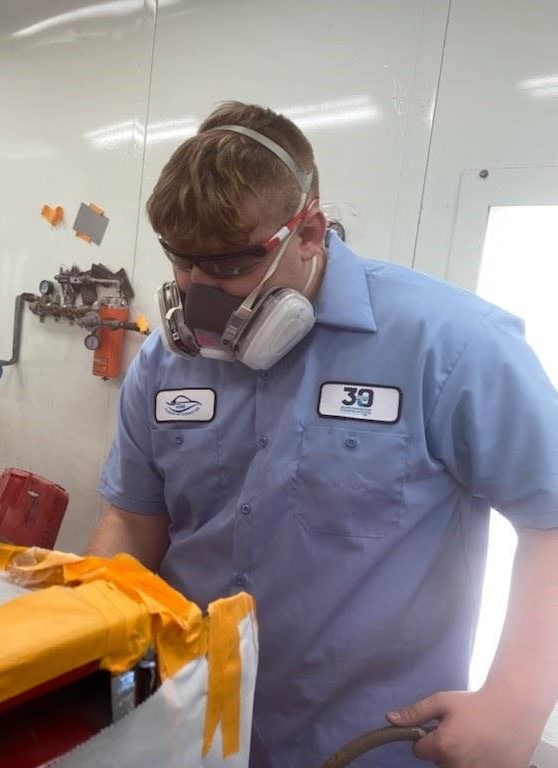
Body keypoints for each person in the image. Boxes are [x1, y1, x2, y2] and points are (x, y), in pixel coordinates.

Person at [86, 100, 558, 767]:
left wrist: (518, 698)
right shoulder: (166, 366)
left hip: (370, 740)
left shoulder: (451, 347)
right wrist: (72, 644)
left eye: (227, 267)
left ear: (308, 231)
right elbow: (134, 525)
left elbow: (553, 517)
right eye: (181, 262)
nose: (196, 294)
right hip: (187, 728)